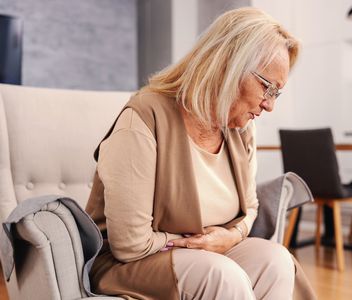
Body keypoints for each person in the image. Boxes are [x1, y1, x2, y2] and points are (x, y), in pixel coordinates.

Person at [86, 7, 315, 300]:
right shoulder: (144, 118)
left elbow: (251, 208)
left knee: (277, 261)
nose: (270, 105)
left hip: (204, 256)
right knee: (222, 275)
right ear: (227, 66)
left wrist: (230, 237)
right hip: (128, 264)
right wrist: (198, 243)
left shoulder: (242, 128)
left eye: (276, 93)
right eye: (267, 87)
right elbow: (130, 245)